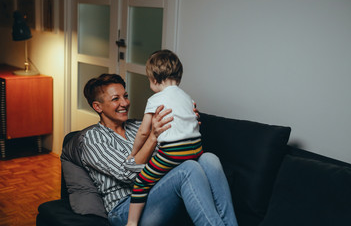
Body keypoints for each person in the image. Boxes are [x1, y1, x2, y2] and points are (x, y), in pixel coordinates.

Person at [82, 73, 238, 226]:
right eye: (116, 99)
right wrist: (153, 137)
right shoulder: (93, 138)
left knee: (209, 159)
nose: (125, 103)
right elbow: (128, 174)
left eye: (125, 96)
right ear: (97, 106)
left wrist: (188, 122)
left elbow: (172, 158)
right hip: (125, 209)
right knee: (187, 169)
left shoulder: (138, 126)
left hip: (156, 191)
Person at [127, 50, 203, 225]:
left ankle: (131, 223)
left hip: (174, 151)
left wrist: (133, 152)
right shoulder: (187, 97)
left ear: (154, 79)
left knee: (141, 181)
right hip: (197, 148)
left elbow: (144, 132)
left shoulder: (156, 99)